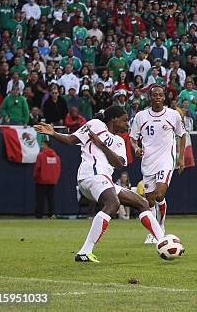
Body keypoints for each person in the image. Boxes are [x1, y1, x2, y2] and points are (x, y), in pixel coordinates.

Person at [34, 105, 165, 263]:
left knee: (142, 203)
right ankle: (85, 252)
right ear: (114, 119)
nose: (126, 124)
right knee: (113, 203)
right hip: (91, 175)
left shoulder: (119, 141)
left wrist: (101, 144)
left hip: (104, 179)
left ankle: (163, 242)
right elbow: (70, 140)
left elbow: (119, 163)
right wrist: (53, 133)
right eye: (124, 121)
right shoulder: (95, 124)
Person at [130, 85, 188, 244]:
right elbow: (133, 138)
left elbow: (182, 135)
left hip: (165, 161)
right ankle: (154, 231)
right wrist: (136, 148)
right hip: (148, 161)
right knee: (149, 202)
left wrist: (181, 158)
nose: (157, 98)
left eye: (160, 95)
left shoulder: (173, 115)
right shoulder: (141, 116)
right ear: (150, 97)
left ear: (164, 97)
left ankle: (160, 228)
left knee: (159, 195)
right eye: (154, 95)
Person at [33, 139, 61, 219]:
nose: (42, 146)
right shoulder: (56, 157)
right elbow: (58, 169)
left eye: (43, 145)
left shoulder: (41, 156)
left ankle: (39, 215)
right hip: (52, 181)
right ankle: (51, 214)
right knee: (51, 199)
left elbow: (37, 168)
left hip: (41, 181)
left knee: (40, 199)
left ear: (46, 145)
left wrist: (35, 177)